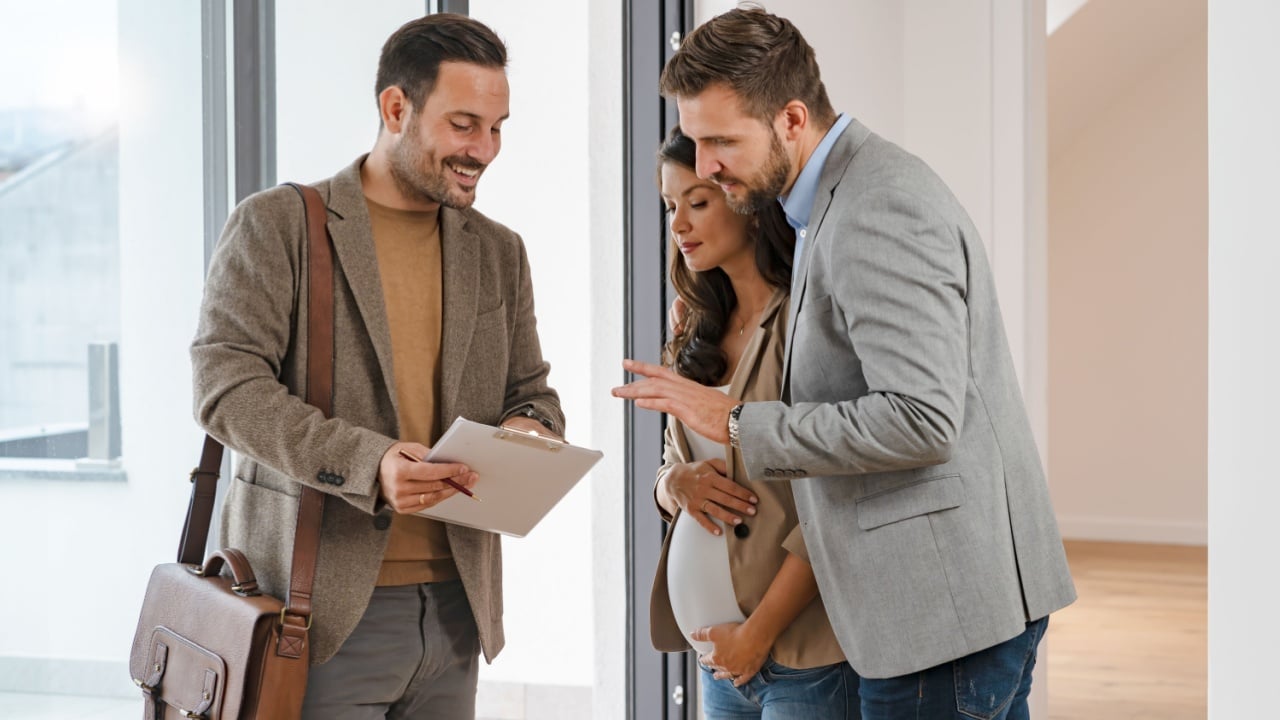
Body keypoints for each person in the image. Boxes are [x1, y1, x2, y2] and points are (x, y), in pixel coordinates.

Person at [614, 7, 1076, 719]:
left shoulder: (875, 204)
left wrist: (736, 421)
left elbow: (922, 421)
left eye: (720, 142)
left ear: (791, 120)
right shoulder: (830, 204)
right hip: (927, 613)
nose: (704, 164)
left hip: (935, 615)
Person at [191, 14, 563, 719]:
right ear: (396, 108)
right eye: (463, 125)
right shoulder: (278, 226)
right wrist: (372, 464)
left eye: (496, 127)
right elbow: (226, 389)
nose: (484, 149)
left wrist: (531, 434)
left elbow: (532, 390)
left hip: (457, 610)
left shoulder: (498, 251)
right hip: (316, 614)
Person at [650, 126, 852, 718]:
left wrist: (758, 633)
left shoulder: (802, 319)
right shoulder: (691, 323)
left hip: (801, 656)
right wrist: (673, 485)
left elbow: (833, 498)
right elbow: (672, 461)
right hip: (717, 657)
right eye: (669, 206)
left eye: (698, 202)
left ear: (747, 204)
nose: (678, 225)